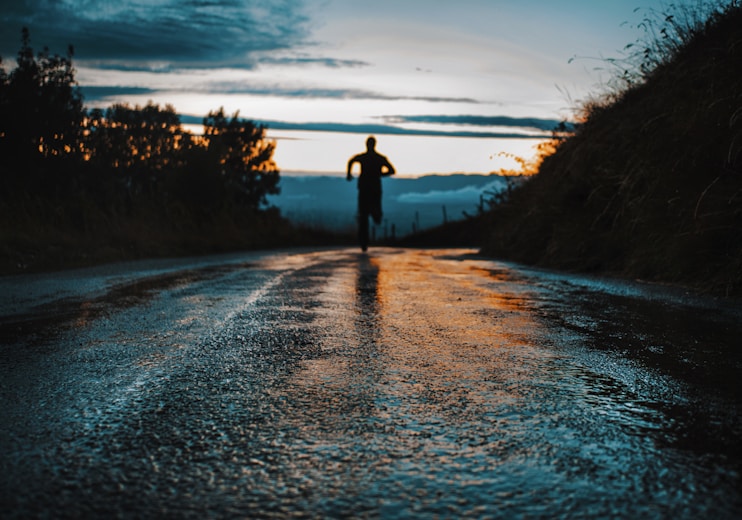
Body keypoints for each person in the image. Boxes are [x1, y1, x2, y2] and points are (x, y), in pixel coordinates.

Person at [347, 136, 396, 251]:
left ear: (366, 144)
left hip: (365, 188)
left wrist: (349, 174)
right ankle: (365, 239)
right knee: (367, 213)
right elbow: (392, 170)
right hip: (374, 188)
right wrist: (380, 174)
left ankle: (364, 240)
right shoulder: (380, 158)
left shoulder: (364, 157)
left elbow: (351, 161)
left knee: (363, 214)